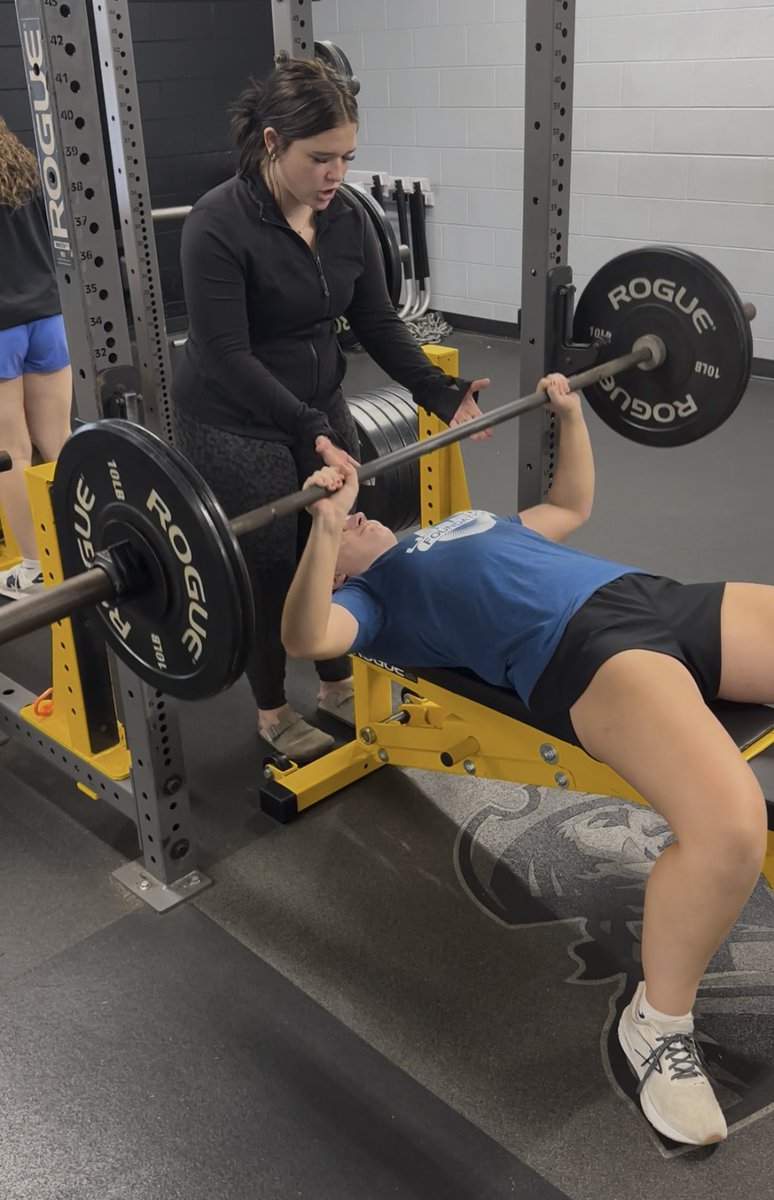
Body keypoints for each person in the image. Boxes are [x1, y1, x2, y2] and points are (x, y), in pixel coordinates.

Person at [281, 372, 771, 1148]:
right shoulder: (370, 605)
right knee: (730, 829)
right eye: (345, 536)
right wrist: (324, 530)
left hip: (653, 597)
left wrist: (570, 415)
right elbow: (306, 640)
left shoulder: (464, 525)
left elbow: (571, 506)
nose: (362, 517)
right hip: (590, 653)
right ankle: (658, 1024)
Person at [171, 57, 490, 760]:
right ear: (273, 141)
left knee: (338, 544)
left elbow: (376, 320)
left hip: (316, 405)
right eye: (320, 158)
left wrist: (437, 393)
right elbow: (226, 354)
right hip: (233, 417)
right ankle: (271, 708)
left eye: (346, 157)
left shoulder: (345, 217)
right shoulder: (217, 224)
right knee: (267, 563)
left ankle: (336, 677)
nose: (335, 174)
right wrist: (310, 426)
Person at [0, 117, 72, 598]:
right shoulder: (24, 165)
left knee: (11, 454)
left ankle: (34, 568)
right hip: (49, 318)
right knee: (60, 439)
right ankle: (79, 549)